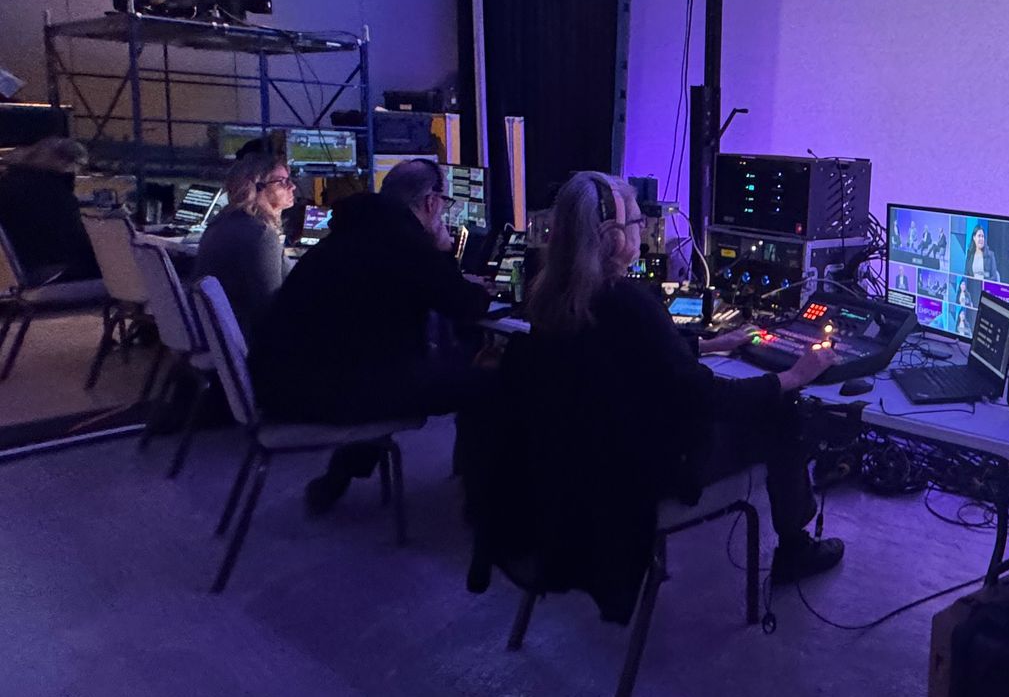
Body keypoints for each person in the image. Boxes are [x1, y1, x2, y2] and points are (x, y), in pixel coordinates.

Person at [468, 172, 843, 603]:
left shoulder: (552, 297)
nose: (641, 231)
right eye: (633, 224)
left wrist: (704, 343)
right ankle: (794, 548)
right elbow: (705, 398)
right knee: (783, 412)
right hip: (646, 477)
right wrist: (793, 376)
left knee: (767, 401)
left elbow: (624, 357)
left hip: (579, 475)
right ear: (610, 238)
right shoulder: (628, 303)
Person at [251, 157, 490, 513]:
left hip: (286, 383)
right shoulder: (405, 243)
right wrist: (443, 254)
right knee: (490, 383)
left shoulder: (353, 234)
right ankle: (486, 506)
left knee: (390, 369)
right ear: (430, 203)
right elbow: (467, 305)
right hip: (325, 391)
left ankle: (337, 479)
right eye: (443, 203)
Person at [194, 152, 295, 340]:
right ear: (256, 188)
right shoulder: (260, 235)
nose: (292, 186)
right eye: (282, 181)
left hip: (218, 336)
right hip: (250, 341)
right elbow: (269, 308)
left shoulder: (221, 223)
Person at [0, 137, 99, 282]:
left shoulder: (7, 184)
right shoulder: (55, 194)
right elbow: (72, 242)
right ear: (64, 162)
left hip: (16, 272)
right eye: (80, 166)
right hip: (49, 271)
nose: (79, 173)